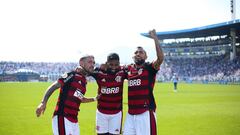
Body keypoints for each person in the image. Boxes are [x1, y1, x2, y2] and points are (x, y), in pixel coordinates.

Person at [36, 55, 99, 135]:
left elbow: (79, 98)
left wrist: (95, 98)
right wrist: (43, 102)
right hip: (63, 117)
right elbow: (54, 86)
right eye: (90, 62)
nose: (92, 65)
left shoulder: (84, 81)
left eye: (94, 63)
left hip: (74, 120)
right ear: (81, 63)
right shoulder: (71, 75)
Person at [123, 29, 164, 135]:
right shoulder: (128, 69)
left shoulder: (149, 68)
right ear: (132, 56)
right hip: (130, 113)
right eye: (136, 52)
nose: (138, 54)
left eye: (141, 52)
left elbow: (160, 58)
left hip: (145, 112)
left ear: (146, 56)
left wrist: (155, 38)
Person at [91, 53, 127, 135]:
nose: (114, 67)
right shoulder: (99, 72)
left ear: (119, 63)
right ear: (106, 63)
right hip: (101, 112)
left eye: (116, 64)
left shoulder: (122, 72)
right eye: (111, 64)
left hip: (116, 113)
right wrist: (99, 67)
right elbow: (86, 71)